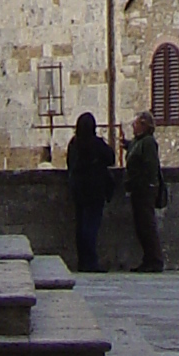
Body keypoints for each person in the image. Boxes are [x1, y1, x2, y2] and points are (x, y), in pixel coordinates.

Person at [63, 110, 116, 272]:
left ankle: (82, 261)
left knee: (81, 226)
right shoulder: (96, 144)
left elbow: (69, 164)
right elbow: (111, 158)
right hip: (95, 190)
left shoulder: (74, 144)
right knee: (91, 226)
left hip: (78, 189)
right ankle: (91, 262)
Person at [125, 109, 167, 270]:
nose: (133, 127)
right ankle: (148, 259)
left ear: (143, 125)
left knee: (147, 226)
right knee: (141, 226)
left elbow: (150, 167)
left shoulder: (148, 142)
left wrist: (147, 185)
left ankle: (154, 260)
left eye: (135, 124)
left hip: (144, 190)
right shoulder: (139, 141)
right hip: (137, 189)